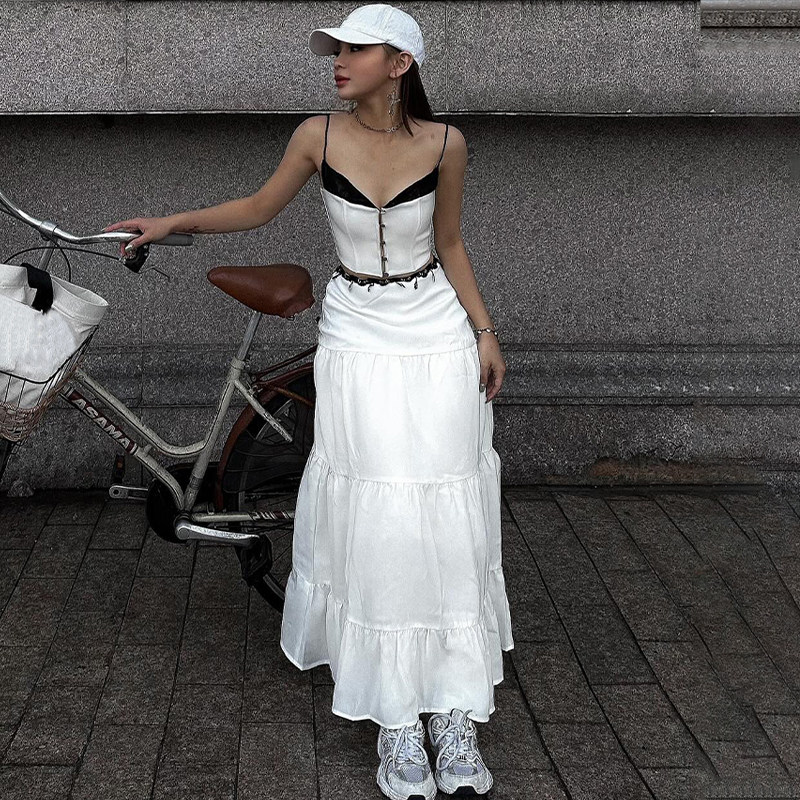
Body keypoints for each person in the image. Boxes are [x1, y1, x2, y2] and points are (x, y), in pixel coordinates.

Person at [103, 4, 514, 798]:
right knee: (383, 509)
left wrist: (484, 331)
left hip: (435, 329)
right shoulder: (315, 136)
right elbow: (258, 208)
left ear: (399, 63)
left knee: (444, 502)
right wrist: (173, 220)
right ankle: (397, 715)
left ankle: (454, 705)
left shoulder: (447, 144)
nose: (338, 60)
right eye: (336, 49)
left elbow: (451, 242)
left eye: (356, 49)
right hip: (357, 330)